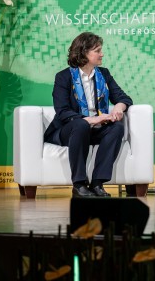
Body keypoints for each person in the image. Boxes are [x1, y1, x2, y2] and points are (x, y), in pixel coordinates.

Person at [44, 32, 133, 198]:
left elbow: (123, 98)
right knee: (81, 124)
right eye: (97, 51)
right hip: (69, 130)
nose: (102, 54)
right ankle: (79, 184)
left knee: (117, 127)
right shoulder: (64, 77)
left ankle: (97, 183)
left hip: (95, 130)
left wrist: (118, 108)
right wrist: (93, 119)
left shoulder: (103, 74)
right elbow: (62, 111)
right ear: (84, 53)